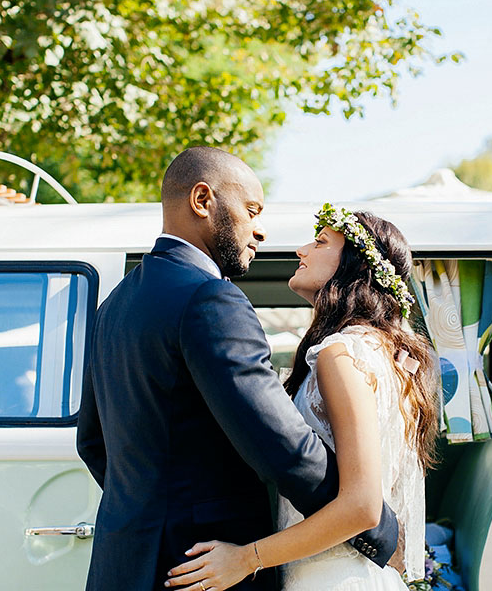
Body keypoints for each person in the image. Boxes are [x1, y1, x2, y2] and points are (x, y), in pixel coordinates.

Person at [76, 150, 397, 591]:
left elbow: (92, 442)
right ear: (202, 200)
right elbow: (280, 445)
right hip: (200, 569)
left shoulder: (114, 304)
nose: (260, 230)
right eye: (251, 211)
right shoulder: (209, 299)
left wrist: (148, 508)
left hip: (121, 566)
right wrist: (372, 521)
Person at [166, 204, 438, 590]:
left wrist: (246, 559)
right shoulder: (388, 354)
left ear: (355, 266)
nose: (302, 250)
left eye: (321, 241)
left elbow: (362, 506)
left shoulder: (340, 353)